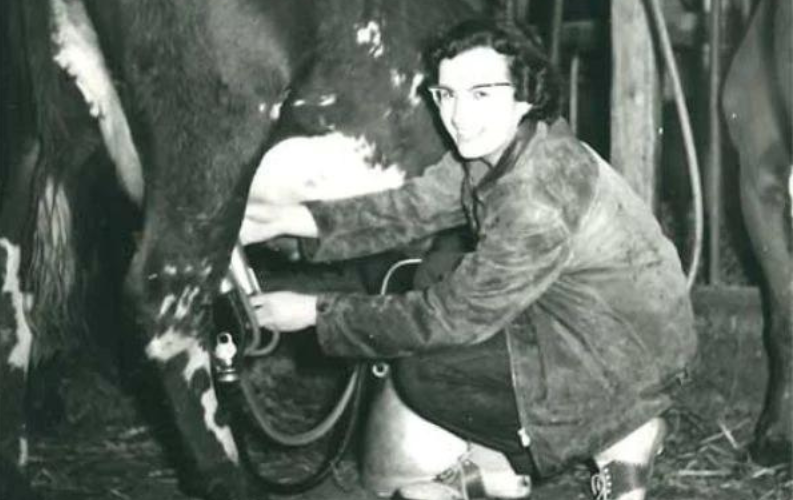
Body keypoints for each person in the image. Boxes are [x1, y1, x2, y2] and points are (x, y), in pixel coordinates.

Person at [240, 19, 697, 500]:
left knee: (424, 370)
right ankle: (514, 463)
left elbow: (448, 318)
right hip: (597, 322)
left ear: (525, 95)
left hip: (627, 359)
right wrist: (289, 220)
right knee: (435, 275)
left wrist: (315, 312)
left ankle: (616, 436)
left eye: (480, 94)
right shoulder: (503, 146)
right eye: (446, 94)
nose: (457, 115)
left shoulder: (538, 195)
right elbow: (410, 208)